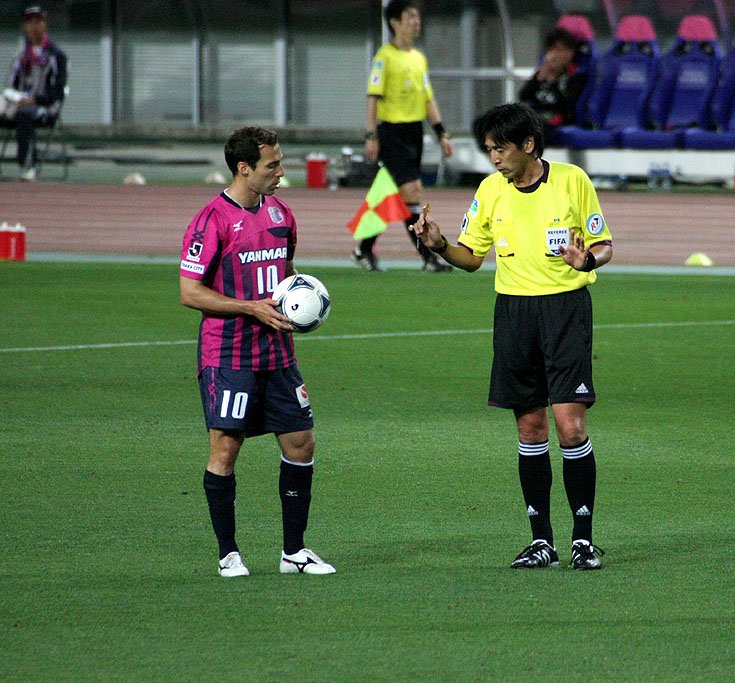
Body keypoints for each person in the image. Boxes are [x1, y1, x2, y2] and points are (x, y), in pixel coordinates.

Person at [411, 103, 613, 570]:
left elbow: (604, 245)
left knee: (570, 426)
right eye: (488, 150)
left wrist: (587, 260)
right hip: (514, 314)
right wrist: (438, 244)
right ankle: (542, 542)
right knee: (530, 428)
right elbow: (470, 258)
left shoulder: (572, 181)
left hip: (565, 311)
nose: (494, 158)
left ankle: (583, 541)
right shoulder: (489, 190)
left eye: (500, 149)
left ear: (528, 144)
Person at [180, 126, 335, 578]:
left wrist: (299, 306)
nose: (281, 171)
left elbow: (287, 273)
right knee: (226, 449)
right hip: (229, 355)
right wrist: (250, 307)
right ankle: (229, 554)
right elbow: (190, 292)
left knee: (301, 443)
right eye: (273, 164)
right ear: (244, 168)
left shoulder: (281, 214)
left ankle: (294, 552)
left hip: (278, 354)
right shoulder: (211, 220)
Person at [357, 0, 454, 273]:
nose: (416, 21)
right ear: (394, 22)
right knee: (412, 191)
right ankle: (428, 257)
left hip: (414, 132)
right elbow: (372, 97)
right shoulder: (384, 57)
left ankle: (363, 250)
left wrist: (441, 133)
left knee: (392, 195)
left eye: (417, 17)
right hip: (392, 131)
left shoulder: (419, 58)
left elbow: (428, 99)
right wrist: (371, 134)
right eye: (410, 16)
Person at [1, 6, 67, 182]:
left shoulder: (56, 56)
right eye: (29, 22)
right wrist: (14, 97)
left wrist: (34, 100)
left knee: (24, 114)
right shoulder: (21, 55)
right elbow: (11, 84)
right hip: (19, 102)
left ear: (45, 24)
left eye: (37, 21)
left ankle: (28, 166)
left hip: (45, 107)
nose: (33, 26)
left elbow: (57, 92)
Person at [518, 27, 587, 136]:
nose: (556, 54)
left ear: (571, 53)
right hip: (537, 116)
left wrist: (553, 80)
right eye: (553, 49)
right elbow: (524, 96)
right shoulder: (543, 72)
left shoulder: (576, 75)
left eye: (561, 50)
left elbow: (568, 107)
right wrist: (540, 77)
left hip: (557, 120)